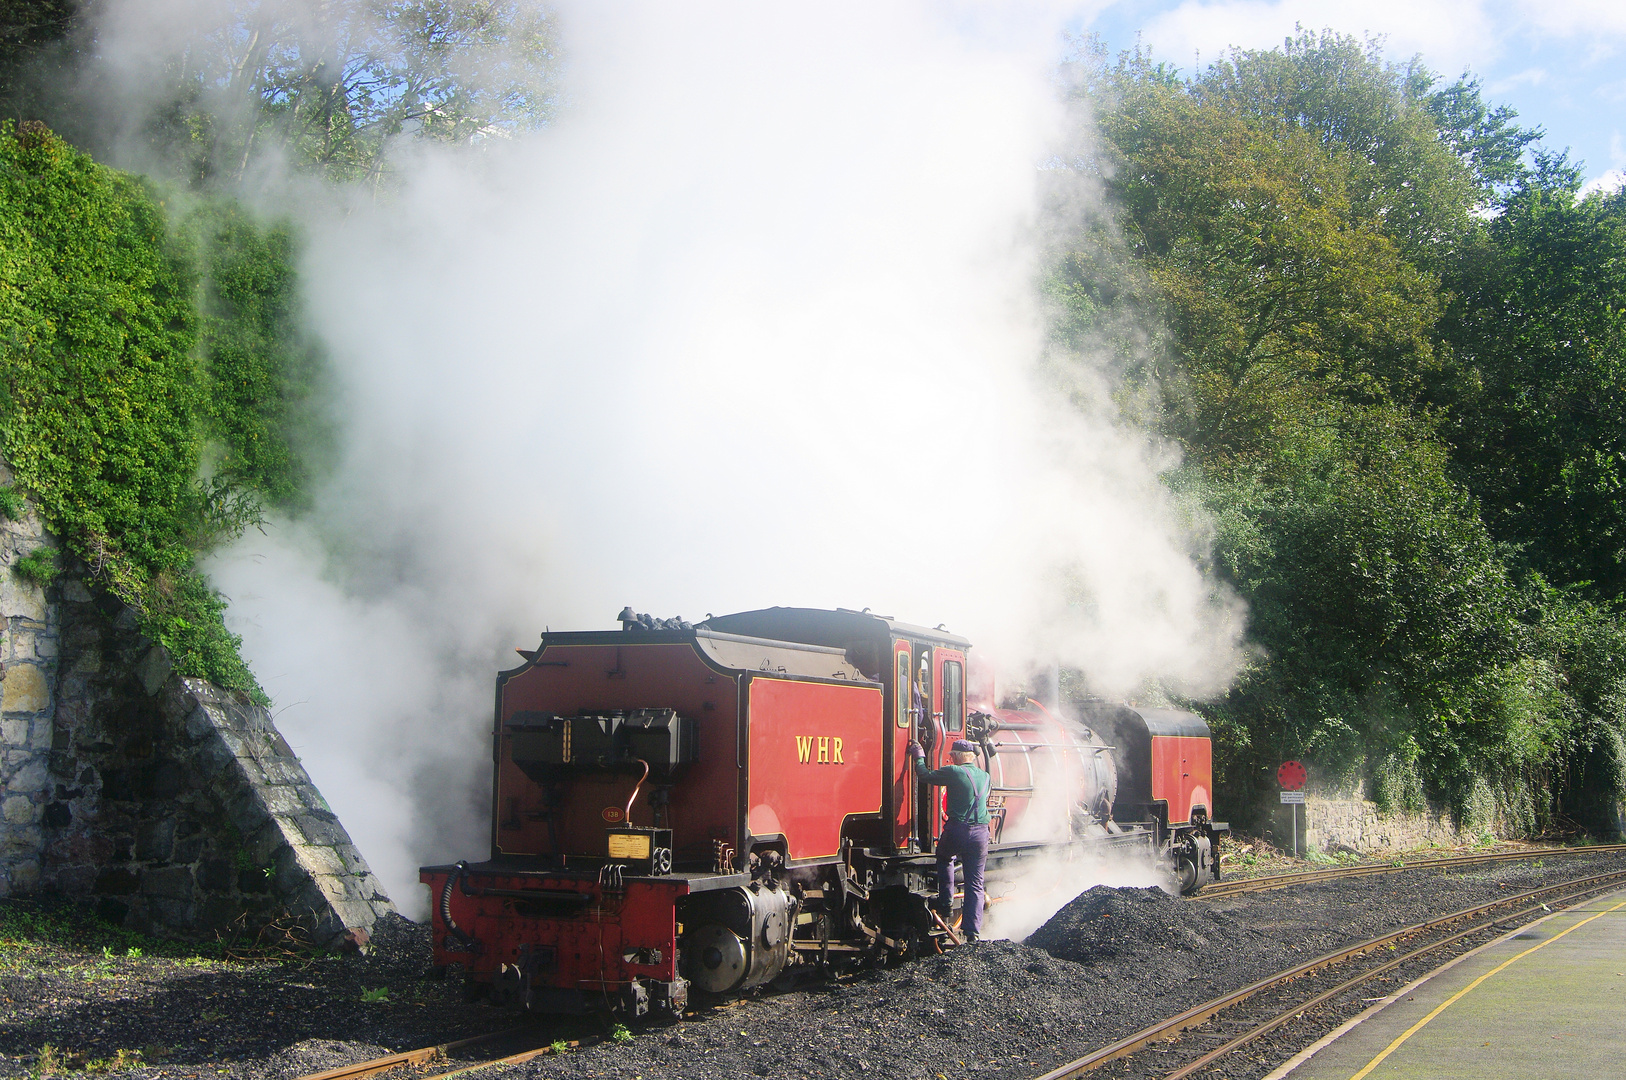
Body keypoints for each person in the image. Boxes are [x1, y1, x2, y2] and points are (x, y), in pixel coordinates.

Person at [909, 737, 991, 941]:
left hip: (958, 829)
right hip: (981, 833)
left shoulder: (954, 772)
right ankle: (972, 932)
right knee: (976, 882)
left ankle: (945, 904)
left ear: (956, 756)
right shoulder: (985, 776)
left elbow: (924, 775)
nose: (951, 758)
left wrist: (919, 755)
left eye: (952, 755)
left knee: (945, 857)